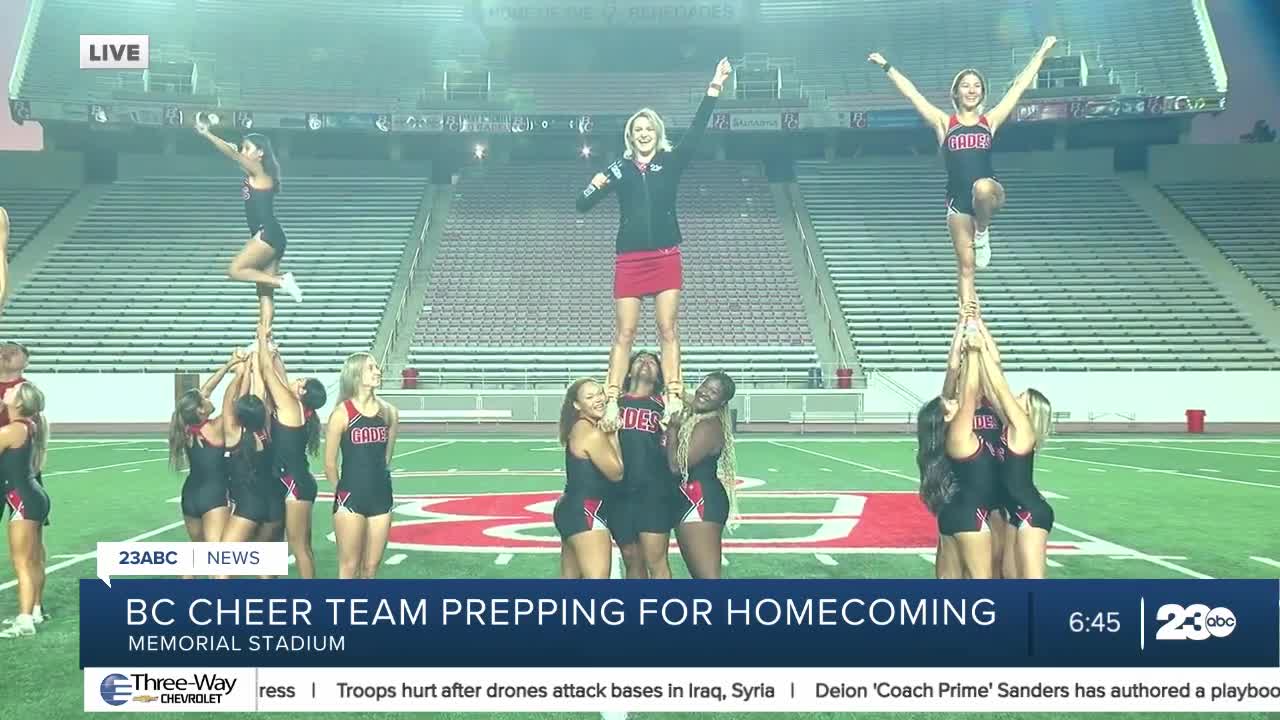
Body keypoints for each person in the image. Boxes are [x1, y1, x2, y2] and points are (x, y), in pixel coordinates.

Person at [576, 58, 733, 431]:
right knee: (625, 333)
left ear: (656, 132)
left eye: (649, 128)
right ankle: (612, 400)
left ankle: (674, 396)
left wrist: (714, 88)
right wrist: (595, 183)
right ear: (630, 136)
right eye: (637, 129)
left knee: (668, 328)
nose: (643, 133)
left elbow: (696, 132)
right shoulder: (619, 168)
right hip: (630, 259)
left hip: (665, 257)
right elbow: (582, 204)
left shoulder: (671, 160)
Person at [868, 37, 1057, 310]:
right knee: (966, 268)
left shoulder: (989, 121)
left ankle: (982, 231)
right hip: (957, 203)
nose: (972, 90)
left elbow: (1019, 87)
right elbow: (913, 94)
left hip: (990, 195)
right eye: (966, 85)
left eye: (977, 86)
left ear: (982, 93)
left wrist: (1042, 52)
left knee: (981, 187)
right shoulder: (945, 124)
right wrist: (886, 66)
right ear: (955, 92)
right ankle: (968, 316)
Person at [916, 311, 998, 579]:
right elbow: (975, 372)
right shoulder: (959, 428)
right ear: (947, 418)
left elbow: (953, 369)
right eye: (949, 404)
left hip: (950, 513)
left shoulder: (937, 440)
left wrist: (963, 324)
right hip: (973, 511)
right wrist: (973, 338)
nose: (952, 400)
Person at [972, 318, 1055, 578]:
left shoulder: (1023, 429)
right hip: (1015, 512)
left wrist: (980, 350)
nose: (1016, 397)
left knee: (1032, 582)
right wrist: (978, 326)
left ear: (1029, 411)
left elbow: (999, 385)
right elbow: (994, 379)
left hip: (1032, 513)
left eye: (1022, 398)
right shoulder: (1010, 425)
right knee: (1008, 575)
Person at [194, 116, 302, 302]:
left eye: (247, 148)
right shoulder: (258, 173)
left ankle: (283, 281)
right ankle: (265, 331)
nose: (243, 151)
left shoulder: (259, 171)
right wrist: (231, 147)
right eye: (242, 147)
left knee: (235, 270)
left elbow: (233, 155)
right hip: (274, 234)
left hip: (266, 233)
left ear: (260, 153)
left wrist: (207, 134)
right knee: (264, 292)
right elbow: (235, 156)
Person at [256, 294, 326, 578]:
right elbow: (280, 374)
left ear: (303, 393)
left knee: (299, 548)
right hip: (296, 481)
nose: (297, 380)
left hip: (294, 484)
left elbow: (267, 372)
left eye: (302, 382)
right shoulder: (297, 406)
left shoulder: (289, 404)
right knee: (292, 545)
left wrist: (262, 340)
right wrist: (274, 350)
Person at [325, 352, 399, 579]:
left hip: (381, 497)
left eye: (377, 367)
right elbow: (329, 463)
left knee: (371, 568)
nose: (378, 371)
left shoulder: (389, 412)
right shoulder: (341, 413)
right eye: (371, 368)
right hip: (351, 498)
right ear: (356, 374)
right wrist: (344, 492)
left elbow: (386, 458)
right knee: (349, 567)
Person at [665, 371, 737, 579]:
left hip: (700, 502)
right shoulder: (699, 418)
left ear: (722, 401)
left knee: (707, 580)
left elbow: (677, 467)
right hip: (690, 500)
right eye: (704, 386)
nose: (705, 392)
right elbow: (693, 401)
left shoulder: (708, 426)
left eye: (713, 392)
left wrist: (672, 431)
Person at [609, 351, 674, 579]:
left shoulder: (665, 404)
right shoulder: (612, 403)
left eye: (652, 362)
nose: (646, 363)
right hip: (617, 492)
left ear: (659, 377)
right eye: (639, 359)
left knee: (656, 560)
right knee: (631, 557)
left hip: (653, 492)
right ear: (627, 371)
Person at [555, 378, 623, 579]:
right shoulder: (592, 433)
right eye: (590, 397)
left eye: (600, 393)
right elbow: (617, 473)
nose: (599, 399)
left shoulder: (577, 427)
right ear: (577, 405)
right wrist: (612, 434)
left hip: (572, 508)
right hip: (587, 511)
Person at [0, 381, 48, 638]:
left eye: (12, 392)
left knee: (22, 563)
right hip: (33, 496)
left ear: (19, 403)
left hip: (22, 500)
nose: (7, 390)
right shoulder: (28, 425)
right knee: (32, 559)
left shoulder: (10, 431)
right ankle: (35, 611)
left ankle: (25, 621)